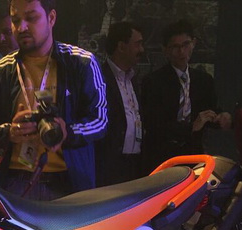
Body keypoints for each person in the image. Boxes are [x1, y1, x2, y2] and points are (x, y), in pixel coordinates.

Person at [0, 0, 107, 200]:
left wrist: (67, 132)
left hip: (70, 183)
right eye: (16, 20)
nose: (21, 27)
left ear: (51, 18)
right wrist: (9, 132)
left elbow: (100, 120)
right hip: (14, 183)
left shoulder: (82, 62)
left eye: (31, 18)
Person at [140, 19, 231, 172]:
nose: (181, 52)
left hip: (193, 154)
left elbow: (209, 112)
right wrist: (191, 127)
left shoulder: (203, 80)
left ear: (193, 43)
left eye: (186, 45)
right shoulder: (154, 81)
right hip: (161, 156)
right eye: (175, 47)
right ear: (165, 50)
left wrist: (221, 117)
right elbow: (153, 124)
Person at [95, 22, 144, 187]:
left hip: (133, 165)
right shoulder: (99, 77)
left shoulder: (133, 79)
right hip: (108, 168)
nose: (141, 50)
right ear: (121, 47)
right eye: (137, 44)